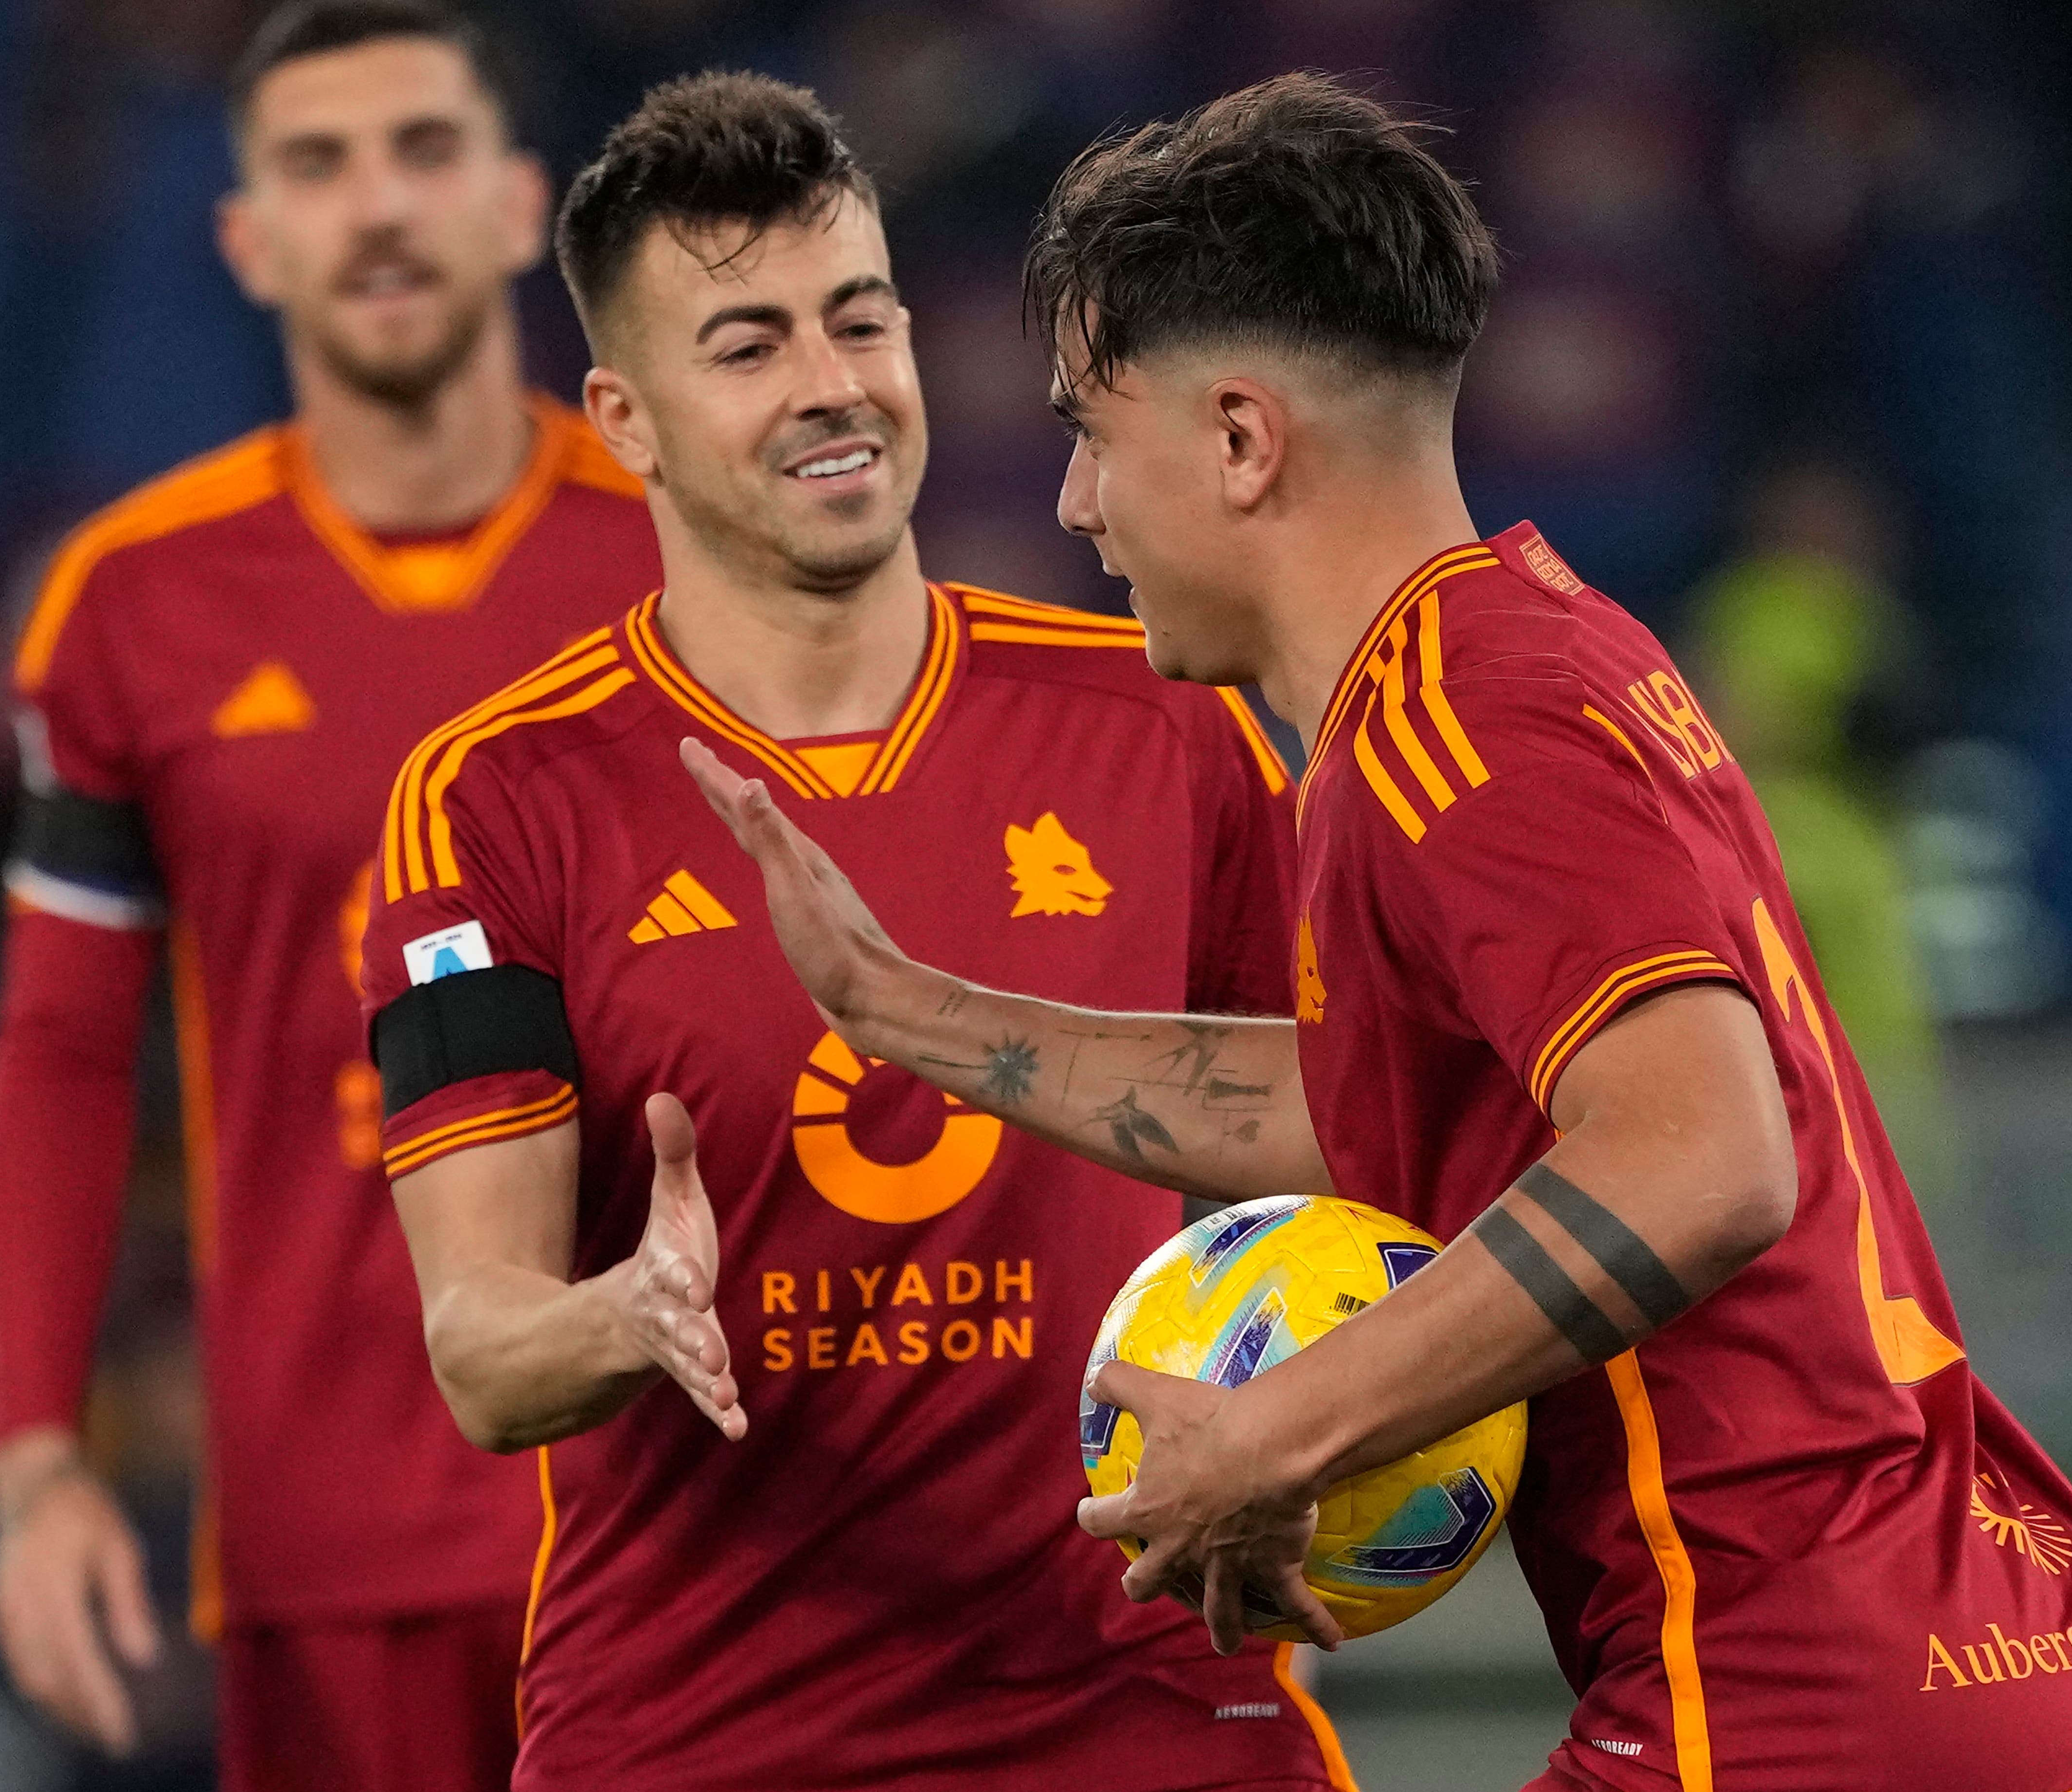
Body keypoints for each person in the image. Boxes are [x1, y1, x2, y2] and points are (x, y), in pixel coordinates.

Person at [686, 75, 2072, 1792]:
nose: (1073, 508)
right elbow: (1396, 1105)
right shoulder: (1528, 656)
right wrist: (916, 1017)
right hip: (2010, 1642)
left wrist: (1274, 1431)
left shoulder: (1462, 722)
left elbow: (1702, 1158)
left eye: (1089, 433)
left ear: (1240, 439)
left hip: (1791, 1686)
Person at [356, 71, 1344, 1792]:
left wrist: (1319, 1413)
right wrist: (629, 1316)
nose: (832, 388)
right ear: (626, 417)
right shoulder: (495, 799)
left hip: (1148, 1717)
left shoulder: (1159, 720)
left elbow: (1345, 1136)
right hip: (704, 1738)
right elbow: (482, 1345)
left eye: (858, 320)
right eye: (744, 347)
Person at [0, 3, 660, 1787]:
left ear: (523, 210)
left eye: (424, 152)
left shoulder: (688, 547)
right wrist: (35, 1453)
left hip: (689, 1490)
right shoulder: (128, 605)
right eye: (316, 164)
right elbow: (58, 1049)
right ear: (245, 237)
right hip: (327, 1521)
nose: (376, 208)